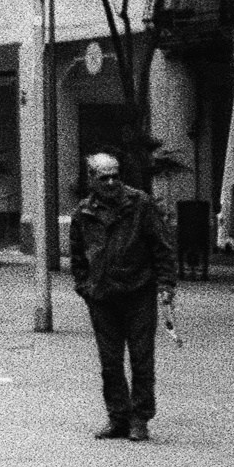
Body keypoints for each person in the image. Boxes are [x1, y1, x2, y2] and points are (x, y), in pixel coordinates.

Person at [71, 149, 177, 441]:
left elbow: (161, 245)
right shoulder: (83, 212)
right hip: (102, 296)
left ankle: (140, 418)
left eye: (115, 177)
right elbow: (78, 255)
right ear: (91, 178)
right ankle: (118, 416)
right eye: (104, 178)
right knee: (110, 362)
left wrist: (166, 284)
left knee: (142, 359)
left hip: (138, 292)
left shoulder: (139, 203)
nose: (110, 183)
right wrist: (85, 287)